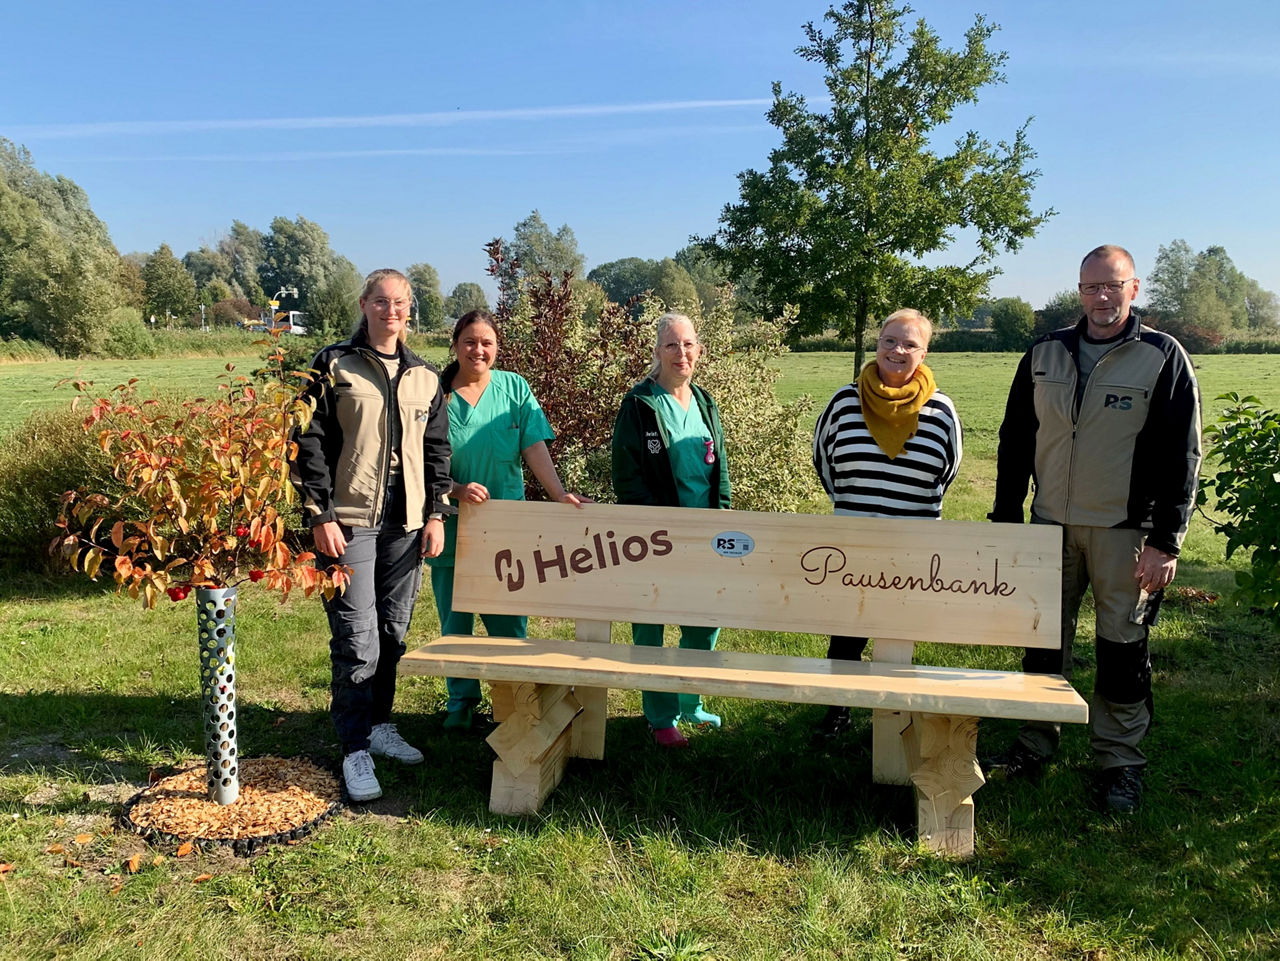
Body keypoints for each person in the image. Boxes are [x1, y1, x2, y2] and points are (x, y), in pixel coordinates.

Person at [984, 244, 1202, 813]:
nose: (1101, 298)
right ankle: (1035, 741)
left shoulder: (1162, 355)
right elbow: (1015, 439)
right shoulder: (1045, 351)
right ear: (1078, 291)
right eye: (1090, 288)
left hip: (1125, 533)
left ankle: (1119, 761)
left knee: (1122, 648)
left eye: (1113, 286)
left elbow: (1183, 456)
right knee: (1041, 642)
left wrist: (1164, 540)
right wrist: (1008, 518)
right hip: (1048, 528)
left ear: (1134, 289)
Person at [291, 268, 453, 803]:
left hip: (406, 526)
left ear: (411, 309)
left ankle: (380, 724)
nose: (391, 311)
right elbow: (307, 442)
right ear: (364, 305)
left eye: (400, 302)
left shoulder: (426, 377)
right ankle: (354, 747)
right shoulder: (333, 364)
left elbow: (436, 454)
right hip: (351, 521)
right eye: (380, 301)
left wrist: (436, 515)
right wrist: (320, 514)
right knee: (357, 637)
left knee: (393, 631)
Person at [425, 309, 587, 732]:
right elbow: (423, 459)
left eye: (487, 343)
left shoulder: (514, 388)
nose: (478, 350)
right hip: (451, 520)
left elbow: (533, 446)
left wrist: (558, 492)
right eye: (469, 342)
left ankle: (514, 699)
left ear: (497, 348)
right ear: (455, 345)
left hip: (505, 524)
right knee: (455, 617)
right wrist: (455, 489)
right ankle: (460, 702)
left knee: (509, 618)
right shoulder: (436, 393)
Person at [811, 309, 963, 740]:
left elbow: (946, 472)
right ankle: (838, 709)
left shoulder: (942, 410)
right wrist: (857, 507)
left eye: (909, 344)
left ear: (925, 352)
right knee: (847, 633)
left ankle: (896, 715)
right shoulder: (845, 401)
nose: (897, 351)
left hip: (913, 546)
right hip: (852, 541)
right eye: (889, 340)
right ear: (877, 343)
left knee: (898, 632)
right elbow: (823, 461)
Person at [611, 312, 731, 748]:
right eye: (672, 345)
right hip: (657, 535)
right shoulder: (639, 404)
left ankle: (689, 701)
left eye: (688, 345)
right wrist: (654, 525)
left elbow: (720, 469)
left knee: (704, 620)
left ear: (699, 351)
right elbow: (626, 476)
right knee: (653, 622)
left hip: (705, 533)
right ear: (657, 352)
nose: (681, 353)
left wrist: (723, 514)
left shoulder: (703, 401)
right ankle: (660, 716)